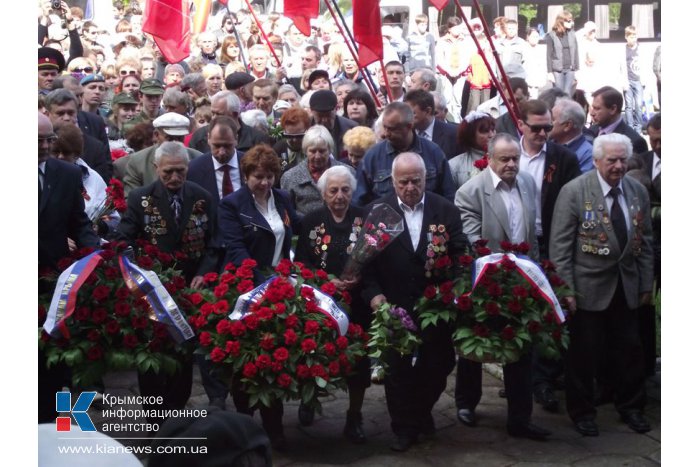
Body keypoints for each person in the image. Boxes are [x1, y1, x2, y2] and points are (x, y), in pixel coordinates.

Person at [549, 133, 654, 437]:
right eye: (612, 160)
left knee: (630, 350)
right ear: (596, 161)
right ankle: (582, 412)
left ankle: (631, 407)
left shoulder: (637, 192)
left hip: (627, 285)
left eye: (623, 159)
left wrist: (646, 282)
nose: (619, 166)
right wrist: (566, 289)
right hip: (587, 288)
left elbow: (645, 241)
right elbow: (560, 246)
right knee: (583, 354)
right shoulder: (575, 191)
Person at [362, 152, 467, 452]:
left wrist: (456, 289)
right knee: (398, 371)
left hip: (434, 304)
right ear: (392, 181)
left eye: (416, 181)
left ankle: (420, 413)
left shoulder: (445, 210)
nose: (410, 187)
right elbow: (364, 265)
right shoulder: (376, 210)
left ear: (427, 179)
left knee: (440, 364)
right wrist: (375, 296)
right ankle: (404, 428)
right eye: (403, 181)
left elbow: (460, 253)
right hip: (393, 303)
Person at [453, 133, 551, 440]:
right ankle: (466, 403)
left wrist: (535, 272)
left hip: (524, 279)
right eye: (504, 159)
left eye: (515, 159)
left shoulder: (527, 183)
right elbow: (473, 242)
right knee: (475, 348)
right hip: (486, 279)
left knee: (521, 347)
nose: (511, 165)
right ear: (490, 158)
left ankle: (520, 418)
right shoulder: (470, 192)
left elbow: (533, 234)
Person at [116, 141, 218, 425]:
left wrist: (204, 272)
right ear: (155, 168)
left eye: (181, 172)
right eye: (168, 172)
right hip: (152, 290)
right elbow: (125, 236)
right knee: (151, 356)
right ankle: (153, 419)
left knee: (183, 352)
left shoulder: (202, 197)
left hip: (188, 288)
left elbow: (214, 243)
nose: (175, 178)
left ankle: (174, 412)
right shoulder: (140, 197)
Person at [217, 144, 300, 450]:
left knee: (274, 359)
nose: (265, 182)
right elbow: (236, 250)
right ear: (247, 175)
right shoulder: (231, 205)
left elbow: (295, 233)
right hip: (246, 290)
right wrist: (263, 285)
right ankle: (244, 426)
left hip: (279, 287)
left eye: (270, 176)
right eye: (258, 176)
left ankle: (274, 428)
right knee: (247, 361)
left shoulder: (282, 198)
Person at [293, 165, 371, 443]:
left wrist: (359, 277)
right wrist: (326, 281)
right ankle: (309, 399)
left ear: (353, 191)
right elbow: (301, 264)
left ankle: (354, 415)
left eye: (345, 190)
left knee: (358, 362)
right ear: (323, 193)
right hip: (321, 301)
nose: (340, 196)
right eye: (333, 190)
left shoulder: (364, 218)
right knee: (313, 354)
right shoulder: (311, 220)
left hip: (358, 302)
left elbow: (374, 261)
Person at [38, 112, 100, 422]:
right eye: (37, 141)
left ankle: (51, 423)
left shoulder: (66, 174)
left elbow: (79, 223)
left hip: (54, 283)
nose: (44, 147)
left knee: (53, 363)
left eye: (48, 140)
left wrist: (97, 255)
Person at [353, 102, 456, 206]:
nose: (386, 133)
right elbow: (358, 201)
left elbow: (448, 196)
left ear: (409, 126)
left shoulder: (433, 152)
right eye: (385, 127)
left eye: (392, 129)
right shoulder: (372, 157)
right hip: (385, 220)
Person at [516, 99, 581, 258]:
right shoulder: (508, 155)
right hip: (514, 238)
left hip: (550, 240)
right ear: (520, 125)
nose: (543, 134)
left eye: (548, 128)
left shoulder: (565, 158)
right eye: (536, 128)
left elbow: (574, 201)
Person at [630, 113, 661, 378]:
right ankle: (647, 367)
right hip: (647, 249)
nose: (658, 146)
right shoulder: (644, 162)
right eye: (653, 140)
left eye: (663, 140)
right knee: (645, 310)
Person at [281, 125, 354, 217]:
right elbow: (287, 212)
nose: (317, 156)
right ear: (305, 151)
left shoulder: (348, 173)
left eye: (322, 151)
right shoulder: (290, 177)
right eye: (313, 151)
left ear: (330, 150)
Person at [123, 112, 202, 195]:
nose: (175, 143)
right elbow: (132, 200)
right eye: (170, 138)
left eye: (179, 138)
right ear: (156, 135)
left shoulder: (198, 159)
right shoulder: (138, 162)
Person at [44, 88, 113, 182]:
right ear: (47, 114)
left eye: (71, 113)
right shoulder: (40, 143)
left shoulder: (95, 147)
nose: (66, 118)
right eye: (60, 113)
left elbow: (103, 180)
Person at [187, 115, 243, 204]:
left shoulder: (251, 165)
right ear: (208, 139)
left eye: (227, 146)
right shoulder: (194, 170)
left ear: (236, 139)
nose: (221, 152)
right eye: (216, 146)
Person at [589, 86, 648, 155]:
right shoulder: (591, 131)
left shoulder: (634, 141)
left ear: (613, 109)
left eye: (597, 108)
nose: (592, 113)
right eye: (593, 107)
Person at [404, 89, 461, 160]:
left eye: (412, 113)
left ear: (428, 111)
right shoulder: (403, 134)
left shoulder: (453, 134)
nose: (406, 117)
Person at [449, 111, 496, 188]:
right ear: (471, 135)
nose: (491, 135)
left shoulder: (507, 159)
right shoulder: (454, 166)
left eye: (493, 129)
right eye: (485, 131)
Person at [309, 89, 358, 160]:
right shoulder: (303, 128)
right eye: (320, 116)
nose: (324, 120)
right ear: (311, 111)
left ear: (336, 108)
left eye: (328, 115)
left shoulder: (352, 129)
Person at [550, 98, 594, 172]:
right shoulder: (547, 145)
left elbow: (579, 182)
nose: (547, 123)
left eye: (552, 119)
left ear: (567, 125)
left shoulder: (588, 154)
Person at [545, 10, 578, 96]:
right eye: (569, 20)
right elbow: (549, 55)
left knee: (567, 94)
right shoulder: (551, 35)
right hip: (557, 70)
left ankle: (567, 109)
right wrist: (549, 73)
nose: (572, 22)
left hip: (570, 69)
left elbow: (576, 52)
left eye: (572, 20)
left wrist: (577, 69)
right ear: (562, 21)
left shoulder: (572, 34)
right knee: (558, 93)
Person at [272, 107, 311, 176]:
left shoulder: (313, 147)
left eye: (299, 136)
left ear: (307, 130)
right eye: (289, 136)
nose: (294, 140)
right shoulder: (277, 149)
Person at [623, 26, 644, 133]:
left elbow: (645, 65)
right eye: (631, 37)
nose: (633, 39)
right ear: (626, 37)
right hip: (628, 81)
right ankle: (630, 128)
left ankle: (638, 128)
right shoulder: (623, 50)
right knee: (629, 106)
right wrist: (623, 81)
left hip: (638, 81)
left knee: (639, 105)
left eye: (635, 36)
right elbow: (620, 67)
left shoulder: (640, 49)